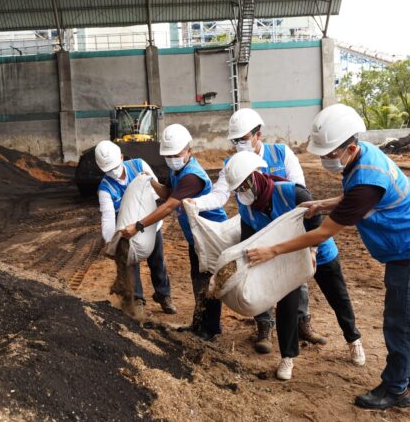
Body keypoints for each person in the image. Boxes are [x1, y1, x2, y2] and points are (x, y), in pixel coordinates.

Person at [246, 104, 410, 409]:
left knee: (401, 320)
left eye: (329, 155)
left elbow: (322, 234)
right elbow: (353, 196)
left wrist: (272, 250)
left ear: (350, 148)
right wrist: (323, 204)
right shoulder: (363, 158)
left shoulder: (365, 179)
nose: (324, 160)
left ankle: (396, 388)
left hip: (409, 249)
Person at [191, 108, 325, 353]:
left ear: (258, 135)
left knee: (296, 274)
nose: (239, 144)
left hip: (286, 227)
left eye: (243, 139)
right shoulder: (231, 164)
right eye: (235, 140)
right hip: (256, 226)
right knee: (259, 274)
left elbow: (300, 191)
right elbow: (221, 194)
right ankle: (264, 327)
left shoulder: (282, 154)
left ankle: (302, 322)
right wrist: (196, 203)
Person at [224, 151, 365, 380]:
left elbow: (316, 220)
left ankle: (353, 339)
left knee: (338, 297)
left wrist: (312, 250)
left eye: (244, 185)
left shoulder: (291, 191)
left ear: (256, 175)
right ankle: (288, 357)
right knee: (287, 305)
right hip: (285, 257)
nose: (242, 191)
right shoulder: (246, 207)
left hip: (318, 252)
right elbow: (249, 239)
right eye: (237, 188)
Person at [121, 124, 227, 340]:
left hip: (210, 236)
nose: (171, 159)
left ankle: (211, 329)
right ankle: (199, 325)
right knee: (198, 280)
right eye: (168, 155)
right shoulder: (177, 170)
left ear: (189, 151)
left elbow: (169, 205)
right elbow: (167, 191)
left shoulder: (192, 177)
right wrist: (149, 180)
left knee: (207, 282)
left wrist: (138, 225)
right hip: (196, 237)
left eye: (176, 154)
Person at [95, 140, 176, 319]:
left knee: (157, 261)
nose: (113, 172)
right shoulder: (105, 189)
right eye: (108, 170)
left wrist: (143, 221)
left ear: (122, 158)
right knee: (131, 264)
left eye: (115, 166)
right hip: (127, 232)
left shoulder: (138, 165)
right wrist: (111, 243)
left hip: (150, 224)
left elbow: (156, 192)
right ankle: (137, 299)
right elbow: (108, 218)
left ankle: (164, 295)